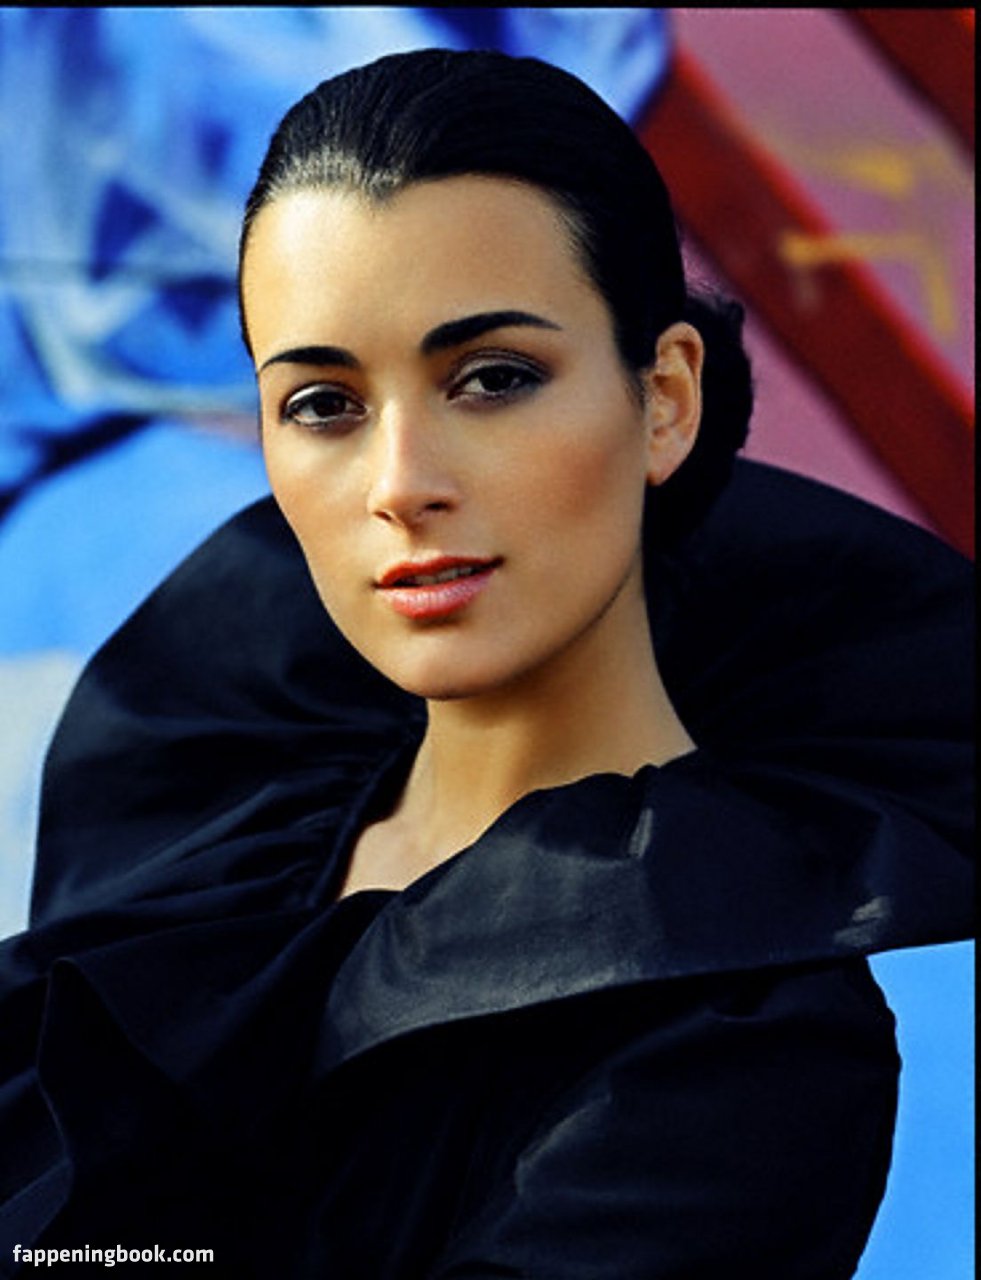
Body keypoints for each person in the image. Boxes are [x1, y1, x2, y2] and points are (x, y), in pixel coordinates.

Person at [0, 48, 972, 1279]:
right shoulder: (202, 826)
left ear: (666, 400)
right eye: (323, 402)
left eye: (494, 378)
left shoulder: (742, 1044)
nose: (402, 483)